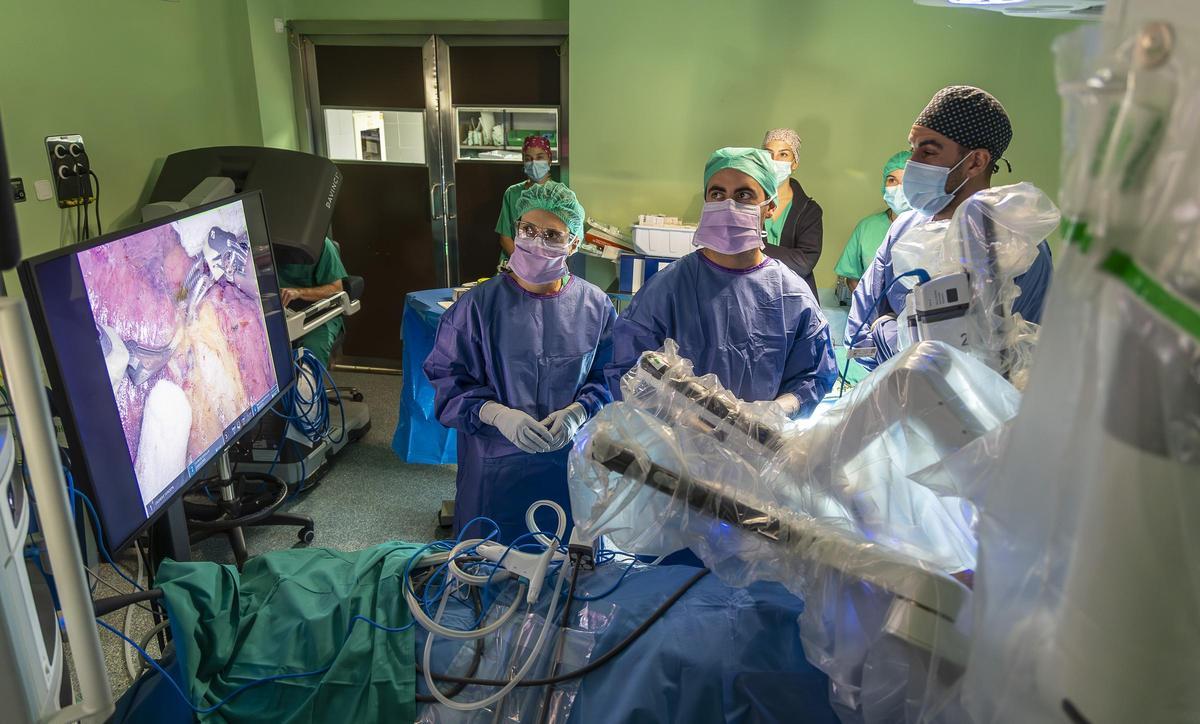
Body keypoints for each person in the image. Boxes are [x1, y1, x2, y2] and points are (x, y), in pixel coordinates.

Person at [425, 183, 615, 544]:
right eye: (528, 230)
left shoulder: (595, 307)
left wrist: (579, 410)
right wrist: (497, 414)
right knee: (488, 565)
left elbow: (610, 376)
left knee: (564, 570)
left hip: (569, 466)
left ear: (574, 244)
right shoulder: (477, 308)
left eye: (552, 235)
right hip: (494, 468)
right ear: (515, 232)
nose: (537, 241)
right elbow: (448, 381)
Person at [606, 147, 837, 419]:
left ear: (770, 207)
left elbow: (812, 379)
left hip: (758, 449)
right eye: (717, 194)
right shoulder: (669, 288)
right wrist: (683, 416)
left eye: (744, 195)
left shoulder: (793, 297)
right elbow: (628, 370)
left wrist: (766, 415)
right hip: (676, 453)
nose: (729, 204)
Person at [845, 85, 1054, 370]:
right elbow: (858, 341)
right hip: (892, 402)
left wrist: (887, 330)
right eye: (912, 148)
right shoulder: (904, 230)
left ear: (975, 162)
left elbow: (1013, 358)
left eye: (928, 152)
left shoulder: (1018, 247)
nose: (912, 163)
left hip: (979, 412)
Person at [834, 151, 912, 297]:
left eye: (907, 181)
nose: (898, 188)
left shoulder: (931, 227)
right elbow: (852, 278)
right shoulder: (867, 227)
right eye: (892, 180)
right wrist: (869, 310)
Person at [761, 128, 823, 297]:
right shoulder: (748, 203)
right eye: (769, 154)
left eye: (783, 154)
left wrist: (757, 247)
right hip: (755, 292)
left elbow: (804, 262)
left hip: (794, 296)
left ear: (794, 162)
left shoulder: (809, 211)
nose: (775, 161)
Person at [277, 236, 348, 368]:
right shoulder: (263, 241)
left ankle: (309, 387)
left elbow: (336, 288)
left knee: (311, 351)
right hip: (276, 314)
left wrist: (299, 292)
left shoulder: (321, 244)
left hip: (317, 314)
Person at [495, 135, 565, 265]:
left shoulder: (561, 195)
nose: (534, 163)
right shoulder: (513, 193)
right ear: (523, 162)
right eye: (528, 159)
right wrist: (523, 263)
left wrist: (541, 265)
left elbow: (563, 240)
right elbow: (505, 237)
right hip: (515, 263)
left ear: (549, 160)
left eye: (539, 157)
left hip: (548, 265)